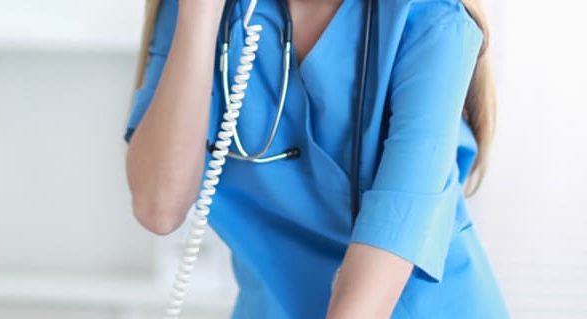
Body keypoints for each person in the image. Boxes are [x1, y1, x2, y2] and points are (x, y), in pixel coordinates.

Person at [123, 0, 508, 317]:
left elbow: (372, 287)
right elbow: (159, 207)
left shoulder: (434, 20)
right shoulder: (212, 12)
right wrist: (199, 15)